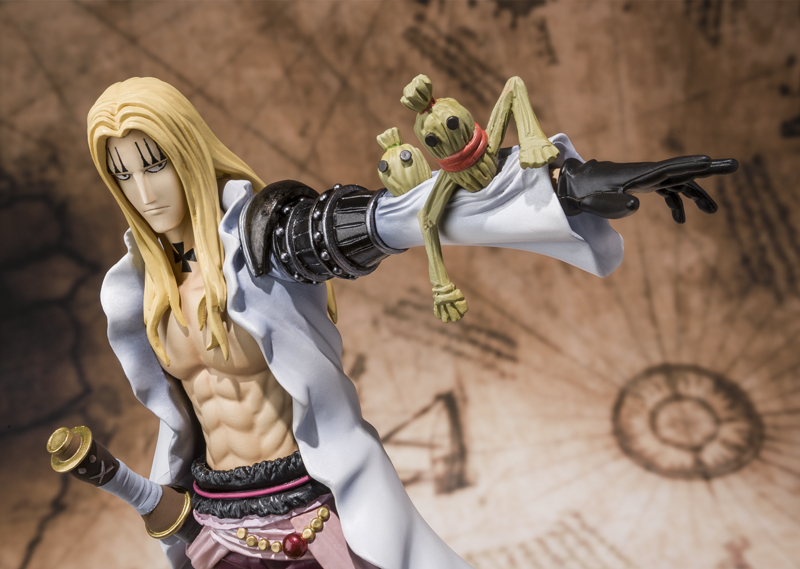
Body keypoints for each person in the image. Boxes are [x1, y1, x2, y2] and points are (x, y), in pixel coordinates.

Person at [86, 77, 736, 569]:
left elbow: (402, 216)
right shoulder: (139, 289)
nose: (144, 192)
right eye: (123, 174)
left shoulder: (264, 240)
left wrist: (565, 186)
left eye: (154, 163)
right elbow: (180, 416)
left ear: (187, 153)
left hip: (313, 512)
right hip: (217, 521)